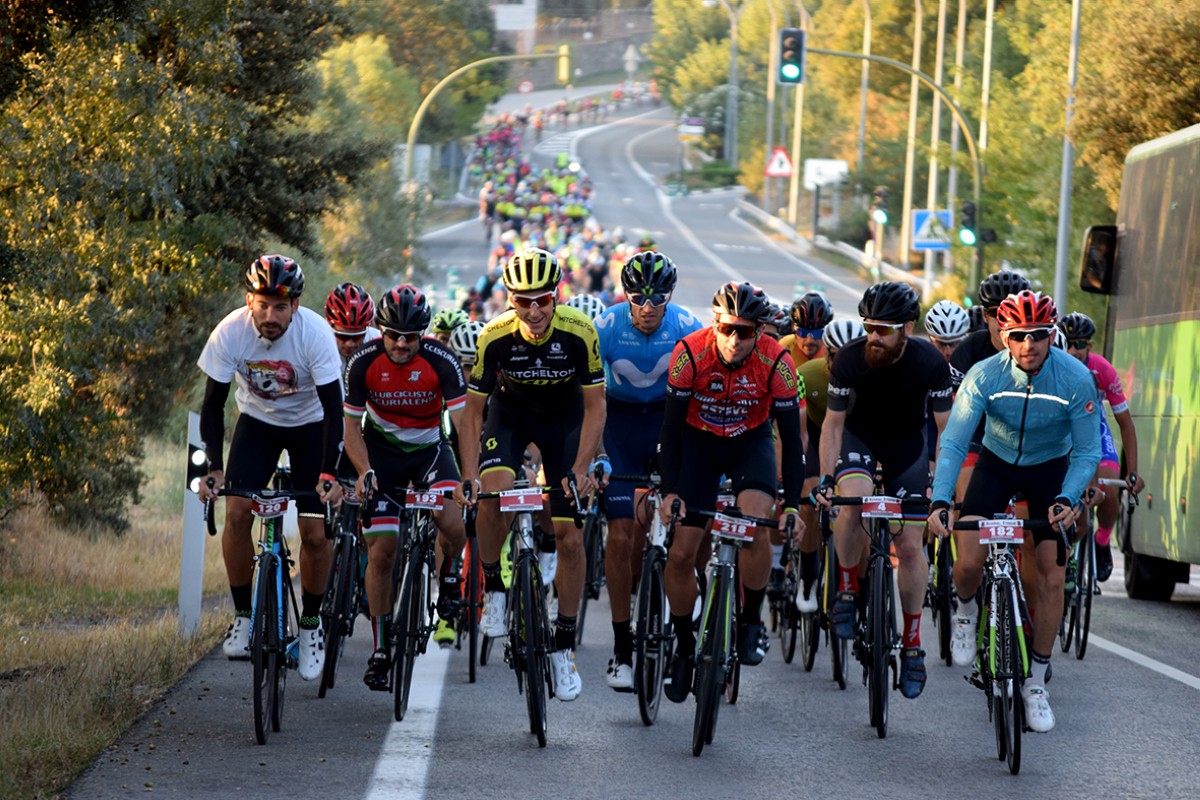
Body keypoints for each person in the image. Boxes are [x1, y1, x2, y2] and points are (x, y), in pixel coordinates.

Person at [928, 290, 1101, 733]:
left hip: (1050, 471)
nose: (1030, 345)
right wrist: (942, 500)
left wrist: (1067, 497)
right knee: (967, 559)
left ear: (1052, 335)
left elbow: (1085, 453)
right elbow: (952, 442)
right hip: (996, 464)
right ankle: (966, 610)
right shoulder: (983, 376)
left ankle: (1037, 679)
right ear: (1004, 336)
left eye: (1039, 335)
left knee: (1050, 574)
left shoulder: (1076, 378)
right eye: (1020, 335)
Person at [453, 248, 607, 702]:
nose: (535, 310)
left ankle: (562, 646)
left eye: (543, 299)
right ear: (511, 300)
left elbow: (597, 405)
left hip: (564, 421)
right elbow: (473, 412)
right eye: (524, 301)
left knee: (571, 538)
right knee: (492, 492)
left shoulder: (579, 332)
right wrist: (469, 475)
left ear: (556, 296)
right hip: (511, 416)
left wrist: (581, 467)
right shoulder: (494, 336)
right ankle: (495, 588)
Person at [658, 281, 806, 703]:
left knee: (756, 524)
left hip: (750, 444)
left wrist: (791, 505)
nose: (734, 340)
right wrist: (670, 492)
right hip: (697, 443)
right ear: (714, 324)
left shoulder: (777, 361)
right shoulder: (689, 353)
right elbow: (669, 430)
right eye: (726, 329)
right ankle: (685, 646)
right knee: (683, 552)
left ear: (760, 331)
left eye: (744, 331)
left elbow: (792, 443)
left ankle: (751, 621)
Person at [197, 255, 343, 680]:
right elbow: (212, 405)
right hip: (257, 425)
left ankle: (312, 627)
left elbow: (335, 408)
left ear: (295, 306)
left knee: (316, 535)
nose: (270, 315)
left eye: (280, 306)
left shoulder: (315, 335)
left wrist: (329, 473)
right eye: (262, 304)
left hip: (311, 427)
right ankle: (243, 615)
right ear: (249, 301)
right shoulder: (230, 331)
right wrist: (214, 466)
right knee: (238, 513)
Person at [813, 281, 953, 700]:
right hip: (860, 442)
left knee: (910, 547)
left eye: (884, 329)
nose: (873, 336)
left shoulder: (930, 361)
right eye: (869, 326)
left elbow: (946, 431)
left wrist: (939, 489)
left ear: (907, 328)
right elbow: (833, 427)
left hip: (908, 449)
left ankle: (912, 643)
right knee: (850, 503)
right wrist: (825, 480)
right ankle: (848, 591)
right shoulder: (850, 360)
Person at [341, 285, 469, 688]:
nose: (400, 343)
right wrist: (363, 471)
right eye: (392, 335)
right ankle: (380, 650)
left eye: (410, 337)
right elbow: (350, 427)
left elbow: (464, 425)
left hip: (430, 451)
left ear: (422, 334)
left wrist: (470, 475)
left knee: (450, 522)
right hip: (380, 455)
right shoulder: (362, 362)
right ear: (380, 330)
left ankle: (449, 574)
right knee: (382, 551)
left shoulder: (442, 360)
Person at [593, 251, 701, 691]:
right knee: (620, 537)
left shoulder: (689, 328)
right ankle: (622, 649)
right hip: (616, 424)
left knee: (687, 527)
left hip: (666, 421)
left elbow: (699, 400)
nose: (648, 305)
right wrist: (594, 453)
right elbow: (589, 397)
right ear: (626, 296)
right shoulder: (604, 327)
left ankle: (687, 605)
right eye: (638, 297)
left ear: (670, 297)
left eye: (658, 297)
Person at [1058, 312, 1145, 580]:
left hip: (1093, 424)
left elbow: (1125, 424)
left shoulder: (1102, 369)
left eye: (1080, 344)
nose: (1074, 351)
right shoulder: (1052, 365)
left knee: (1106, 484)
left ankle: (1103, 540)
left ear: (1090, 347)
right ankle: (1069, 547)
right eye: (1068, 343)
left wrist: (1132, 471)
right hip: (1062, 428)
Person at [791, 319, 865, 611]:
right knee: (810, 498)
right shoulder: (808, 374)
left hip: (856, 440)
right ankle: (807, 576)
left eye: (852, 355)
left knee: (867, 506)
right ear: (826, 354)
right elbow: (796, 431)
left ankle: (861, 588)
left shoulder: (871, 378)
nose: (843, 363)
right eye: (835, 356)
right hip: (814, 435)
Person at [324, 282, 380, 362]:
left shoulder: (377, 340)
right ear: (329, 325)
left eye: (357, 337)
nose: (350, 344)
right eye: (342, 336)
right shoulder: (317, 342)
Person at [777, 292, 832, 369]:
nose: (810, 341)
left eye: (817, 333)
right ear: (794, 330)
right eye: (803, 332)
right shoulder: (784, 346)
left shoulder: (834, 353)